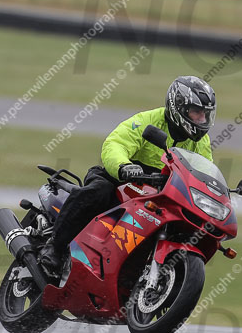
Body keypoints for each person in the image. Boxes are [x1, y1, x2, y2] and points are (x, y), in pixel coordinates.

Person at [39, 75, 216, 276]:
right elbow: (115, 143)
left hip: (159, 194)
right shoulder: (148, 121)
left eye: (205, 114)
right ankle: (55, 247)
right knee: (99, 192)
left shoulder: (201, 142)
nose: (202, 119)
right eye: (196, 112)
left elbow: (204, 173)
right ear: (179, 107)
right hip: (122, 179)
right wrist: (124, 166)